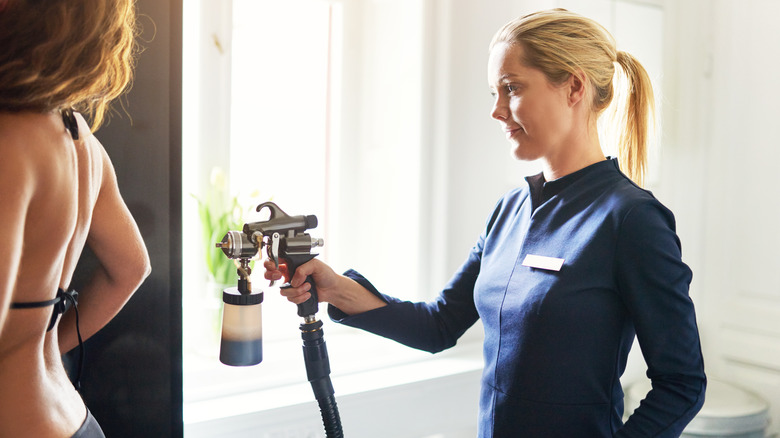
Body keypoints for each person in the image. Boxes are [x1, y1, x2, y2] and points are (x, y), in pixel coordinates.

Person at [266, 9, 706, 437]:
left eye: (511, 88)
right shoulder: (509, 210)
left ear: (573, 86)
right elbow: (438, 325)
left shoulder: (630, 219)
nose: (497, 110)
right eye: (493, 92)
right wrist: (335, 287)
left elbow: (681, 385)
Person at [0, 0, 150, 437]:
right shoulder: (77, 136)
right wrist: (36, 345)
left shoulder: (8, 138)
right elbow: (131, 267)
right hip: (73, 420)